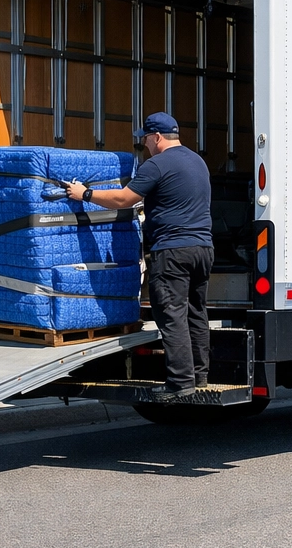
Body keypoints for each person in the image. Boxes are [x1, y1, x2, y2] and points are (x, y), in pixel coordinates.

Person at [66, 112, 212, 398]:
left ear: (157, 137)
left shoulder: (156, 165)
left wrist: (84, 194)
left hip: (172, 251)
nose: (144, 144)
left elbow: (123, 199)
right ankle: (200, 375)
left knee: (172, 316)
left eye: (145, 138)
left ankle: (180, 384)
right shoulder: (198, 161)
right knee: (196, 313)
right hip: (203, 249)